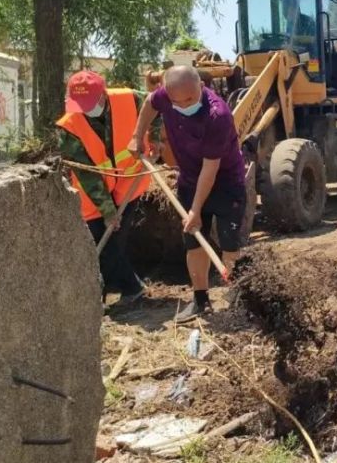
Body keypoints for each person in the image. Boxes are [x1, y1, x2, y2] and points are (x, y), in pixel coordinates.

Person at [129, 65, 247, 323]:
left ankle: (241, 299)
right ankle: (200, 301)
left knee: (230, 245)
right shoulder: (165, 97)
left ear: (201, 87)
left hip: (226, 182)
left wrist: (195, 210)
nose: (184, 104)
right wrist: (139, 137)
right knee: (194, 242)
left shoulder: (218, 115)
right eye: (177, 102)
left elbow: (210, 168)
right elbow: (150, 103)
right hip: (190, 179)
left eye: (190, 99)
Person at [56, 71, 153, 306]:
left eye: (89, 104)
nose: (84, 110)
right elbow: (88, 173)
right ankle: (122, 288)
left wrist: (156, 138)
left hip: (129, 181)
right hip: (94, 194)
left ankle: (126, 289)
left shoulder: (129, 98)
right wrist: (108, 211)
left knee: (115, 241)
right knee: (100, 239)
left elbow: (157, 106)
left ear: (103, 95)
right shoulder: (69, 127)